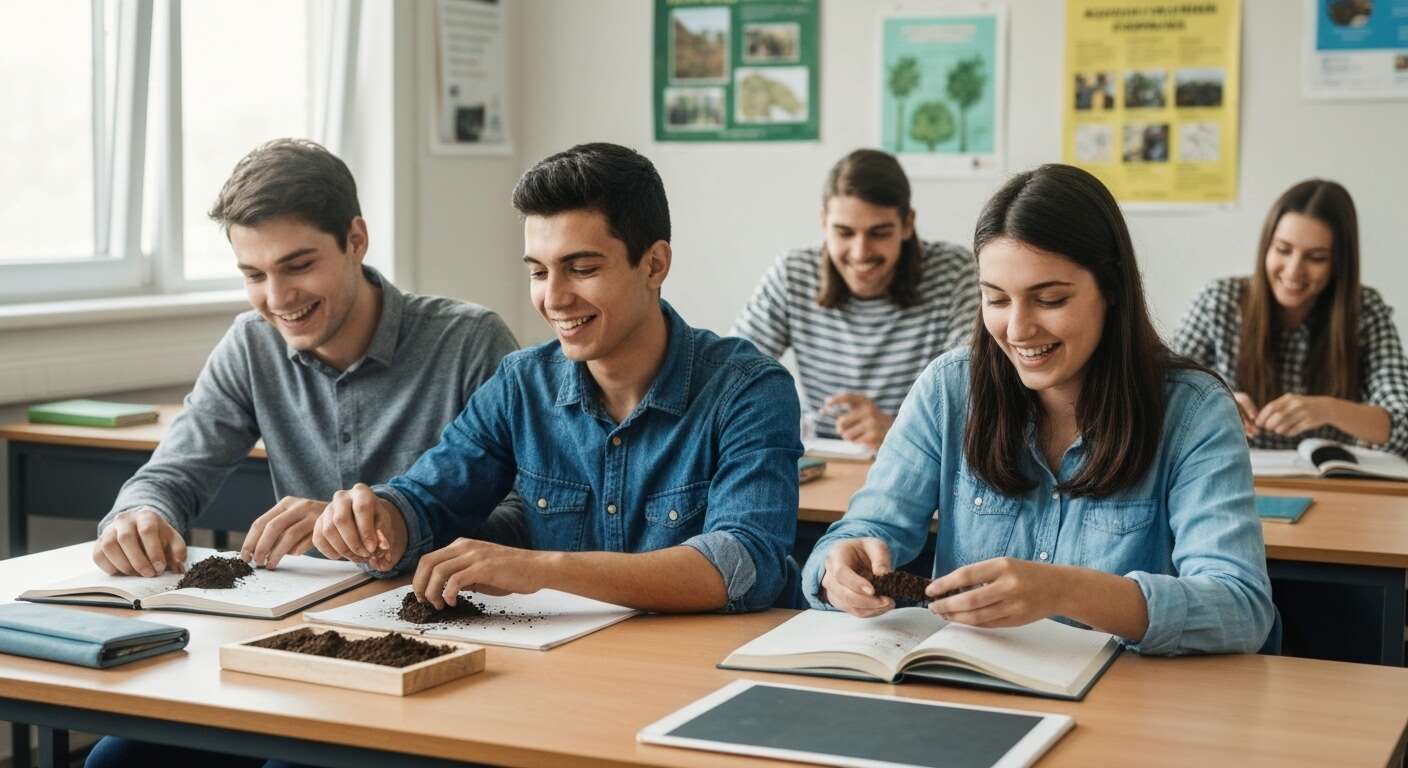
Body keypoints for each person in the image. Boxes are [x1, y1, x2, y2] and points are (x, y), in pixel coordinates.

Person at [802, 163, 1273, 655]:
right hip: (966, 684)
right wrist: (840, 567)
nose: (1017, 329)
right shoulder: (948, 388)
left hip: (1124, 695)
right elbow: (863, 531)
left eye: (1049, 300)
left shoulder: (1194, 412)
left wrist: (1065, 590)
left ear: (1112, 288)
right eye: (996, 299)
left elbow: (1240, 607)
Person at [312, 142, 802, 614]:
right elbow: (427, 502)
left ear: (654, 265)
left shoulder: (748, 389)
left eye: (582, 269)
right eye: (539, 273)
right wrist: (377, 519)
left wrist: (543, 570)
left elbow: (743, 562)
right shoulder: (521, 385)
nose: (554, 299)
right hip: (565, 660)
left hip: (707, 662)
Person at [90, 138, 524, 580]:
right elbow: (171, 476)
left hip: (450, 602)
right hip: (305, 608)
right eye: (254, 275)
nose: (278, 299)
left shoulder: (470, 341)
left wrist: (386, 526)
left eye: (298, 266)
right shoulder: (251, 345)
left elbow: (528, 515)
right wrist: (140, 515)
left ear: (356, 241)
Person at [732, 149, 977, 450]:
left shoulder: (954, 274)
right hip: (821, 456)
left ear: (907, 224)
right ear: (824, 222)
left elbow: (974, 395)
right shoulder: (793, 274)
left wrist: (899, 429)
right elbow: (732, 376)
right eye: (844, 233)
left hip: (920, 456)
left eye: (879, 233)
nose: (860, 253)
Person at [1174, 179, 1408, 457]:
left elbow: (1402, 421)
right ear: (1266, 247)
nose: (1294, 270)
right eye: (1283, 250)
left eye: (1316, 257)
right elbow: (1159, 396)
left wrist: (1327, 409)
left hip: (1335, 479)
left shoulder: (1364, 310)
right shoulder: (1220, 300)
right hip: (1231, 471)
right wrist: (1216, 403)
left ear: (1338, 263)